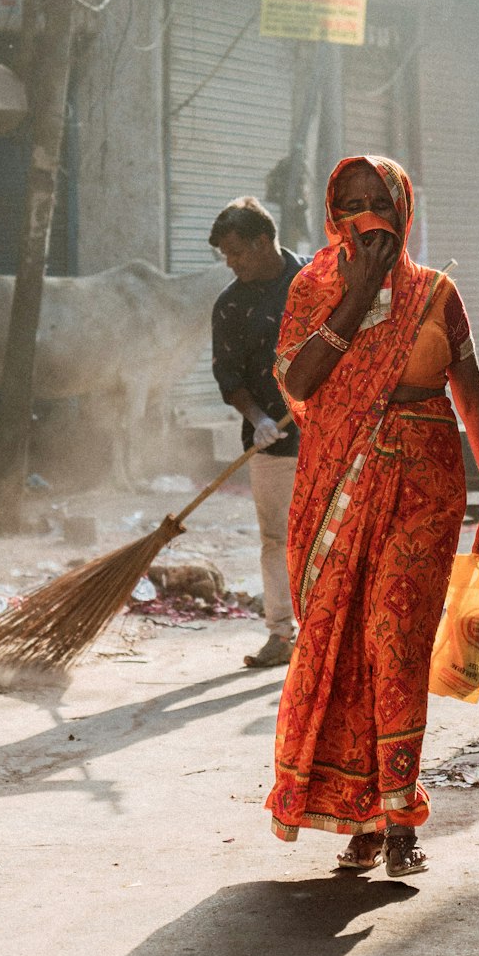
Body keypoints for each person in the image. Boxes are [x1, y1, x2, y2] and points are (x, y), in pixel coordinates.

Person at [265, 155, 479, 878]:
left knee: (393, 643)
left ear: (406, 209)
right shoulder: (312, 290)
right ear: (333, 215)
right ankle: (360, 815)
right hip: (336, 486)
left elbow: (470, 397)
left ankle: (400, 817)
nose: (368, 214)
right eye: (353, 203)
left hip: (423, 487)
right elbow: (299, 381)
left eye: (382, 201)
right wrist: (360, 291)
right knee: (341, 649)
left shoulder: (436, 293)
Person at [210, 197, 304, 668]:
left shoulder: (316, 283)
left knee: (335, 535)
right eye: (225, 255)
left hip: (335, 436)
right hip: (272, 442)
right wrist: (258, 419)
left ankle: (330, 635)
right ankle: (281, 635)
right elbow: (229, 377)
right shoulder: (230, 305)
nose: (231, 263)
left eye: (237, 252)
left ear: (263, 241)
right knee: (277, 539)